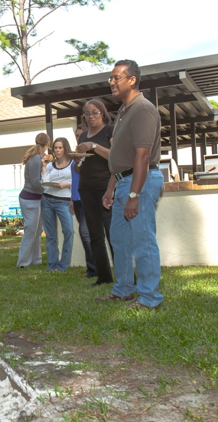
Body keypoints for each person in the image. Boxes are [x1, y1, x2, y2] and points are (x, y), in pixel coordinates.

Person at [97, 59, 164, 310]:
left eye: (117, 78)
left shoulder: (143, 109)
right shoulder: (124, 111)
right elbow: (120, 157)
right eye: (111, 78)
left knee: (143, 240)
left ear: (132, 80)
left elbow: (142, 156)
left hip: (141, 182)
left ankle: (149, 298)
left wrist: (135, 194)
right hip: (123, 182)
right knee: (119, 240)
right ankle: (124, 288)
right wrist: (110, 189)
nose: (112, 82)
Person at [75, 99, 114, 286]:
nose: (90, 116)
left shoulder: (110, 131)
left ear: (103, 113)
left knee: (112, 233)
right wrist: (76, 160)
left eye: (94, 112)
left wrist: (94, 147)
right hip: (86, 187)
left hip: (106, 186)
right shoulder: (83, 136)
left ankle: (125, 277)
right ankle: (104, 276)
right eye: (87, 113)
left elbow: (116, 157)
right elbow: (80, 164)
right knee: (94, 234)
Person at [17, 133, 50, 268]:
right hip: (30, 199)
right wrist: (49, 186)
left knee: (37, 231)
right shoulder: (35, 159)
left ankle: (36, 259)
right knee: (31, 231)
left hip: (35, 199)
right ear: (47, 143)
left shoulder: (38, 158)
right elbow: (36, 182)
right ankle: (23, 262)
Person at [41, 137, 74, 272]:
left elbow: (77, 181)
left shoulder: (73, 163)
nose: (57, 150)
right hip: (47, 199)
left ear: (65, 148)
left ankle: (63, 265)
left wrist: (66, 184)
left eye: (60, 147)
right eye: (55, 148)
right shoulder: (50, 165)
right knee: (50, 234)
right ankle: (52, 264)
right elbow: (45, 182)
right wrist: (43, 167)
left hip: (64, 201)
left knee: (69, 231)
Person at [70, 124, 97, 278]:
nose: (79, 137)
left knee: (85, 232)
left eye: (81, 135)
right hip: (77, 198)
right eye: (77, 135)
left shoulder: (91, 154)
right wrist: (71, 200)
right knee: (87, 233)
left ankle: (94, 269)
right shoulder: (76, 154)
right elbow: (75, 178)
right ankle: (91, 268)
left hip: (88, 198)